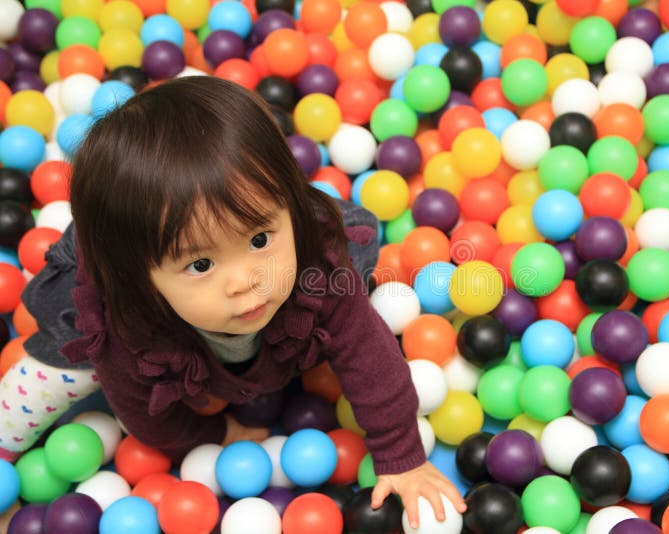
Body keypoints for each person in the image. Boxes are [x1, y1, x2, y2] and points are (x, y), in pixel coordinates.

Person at [0, 75, 466, 526]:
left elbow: (371, 357)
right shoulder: (126, 325)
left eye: (260, 238)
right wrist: (214, 435)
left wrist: (399, 455)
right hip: (130, 299)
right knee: (61, 365)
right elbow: (147, 417)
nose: (245, 282)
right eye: (200, 265)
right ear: (145, 279)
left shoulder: (317, 272)